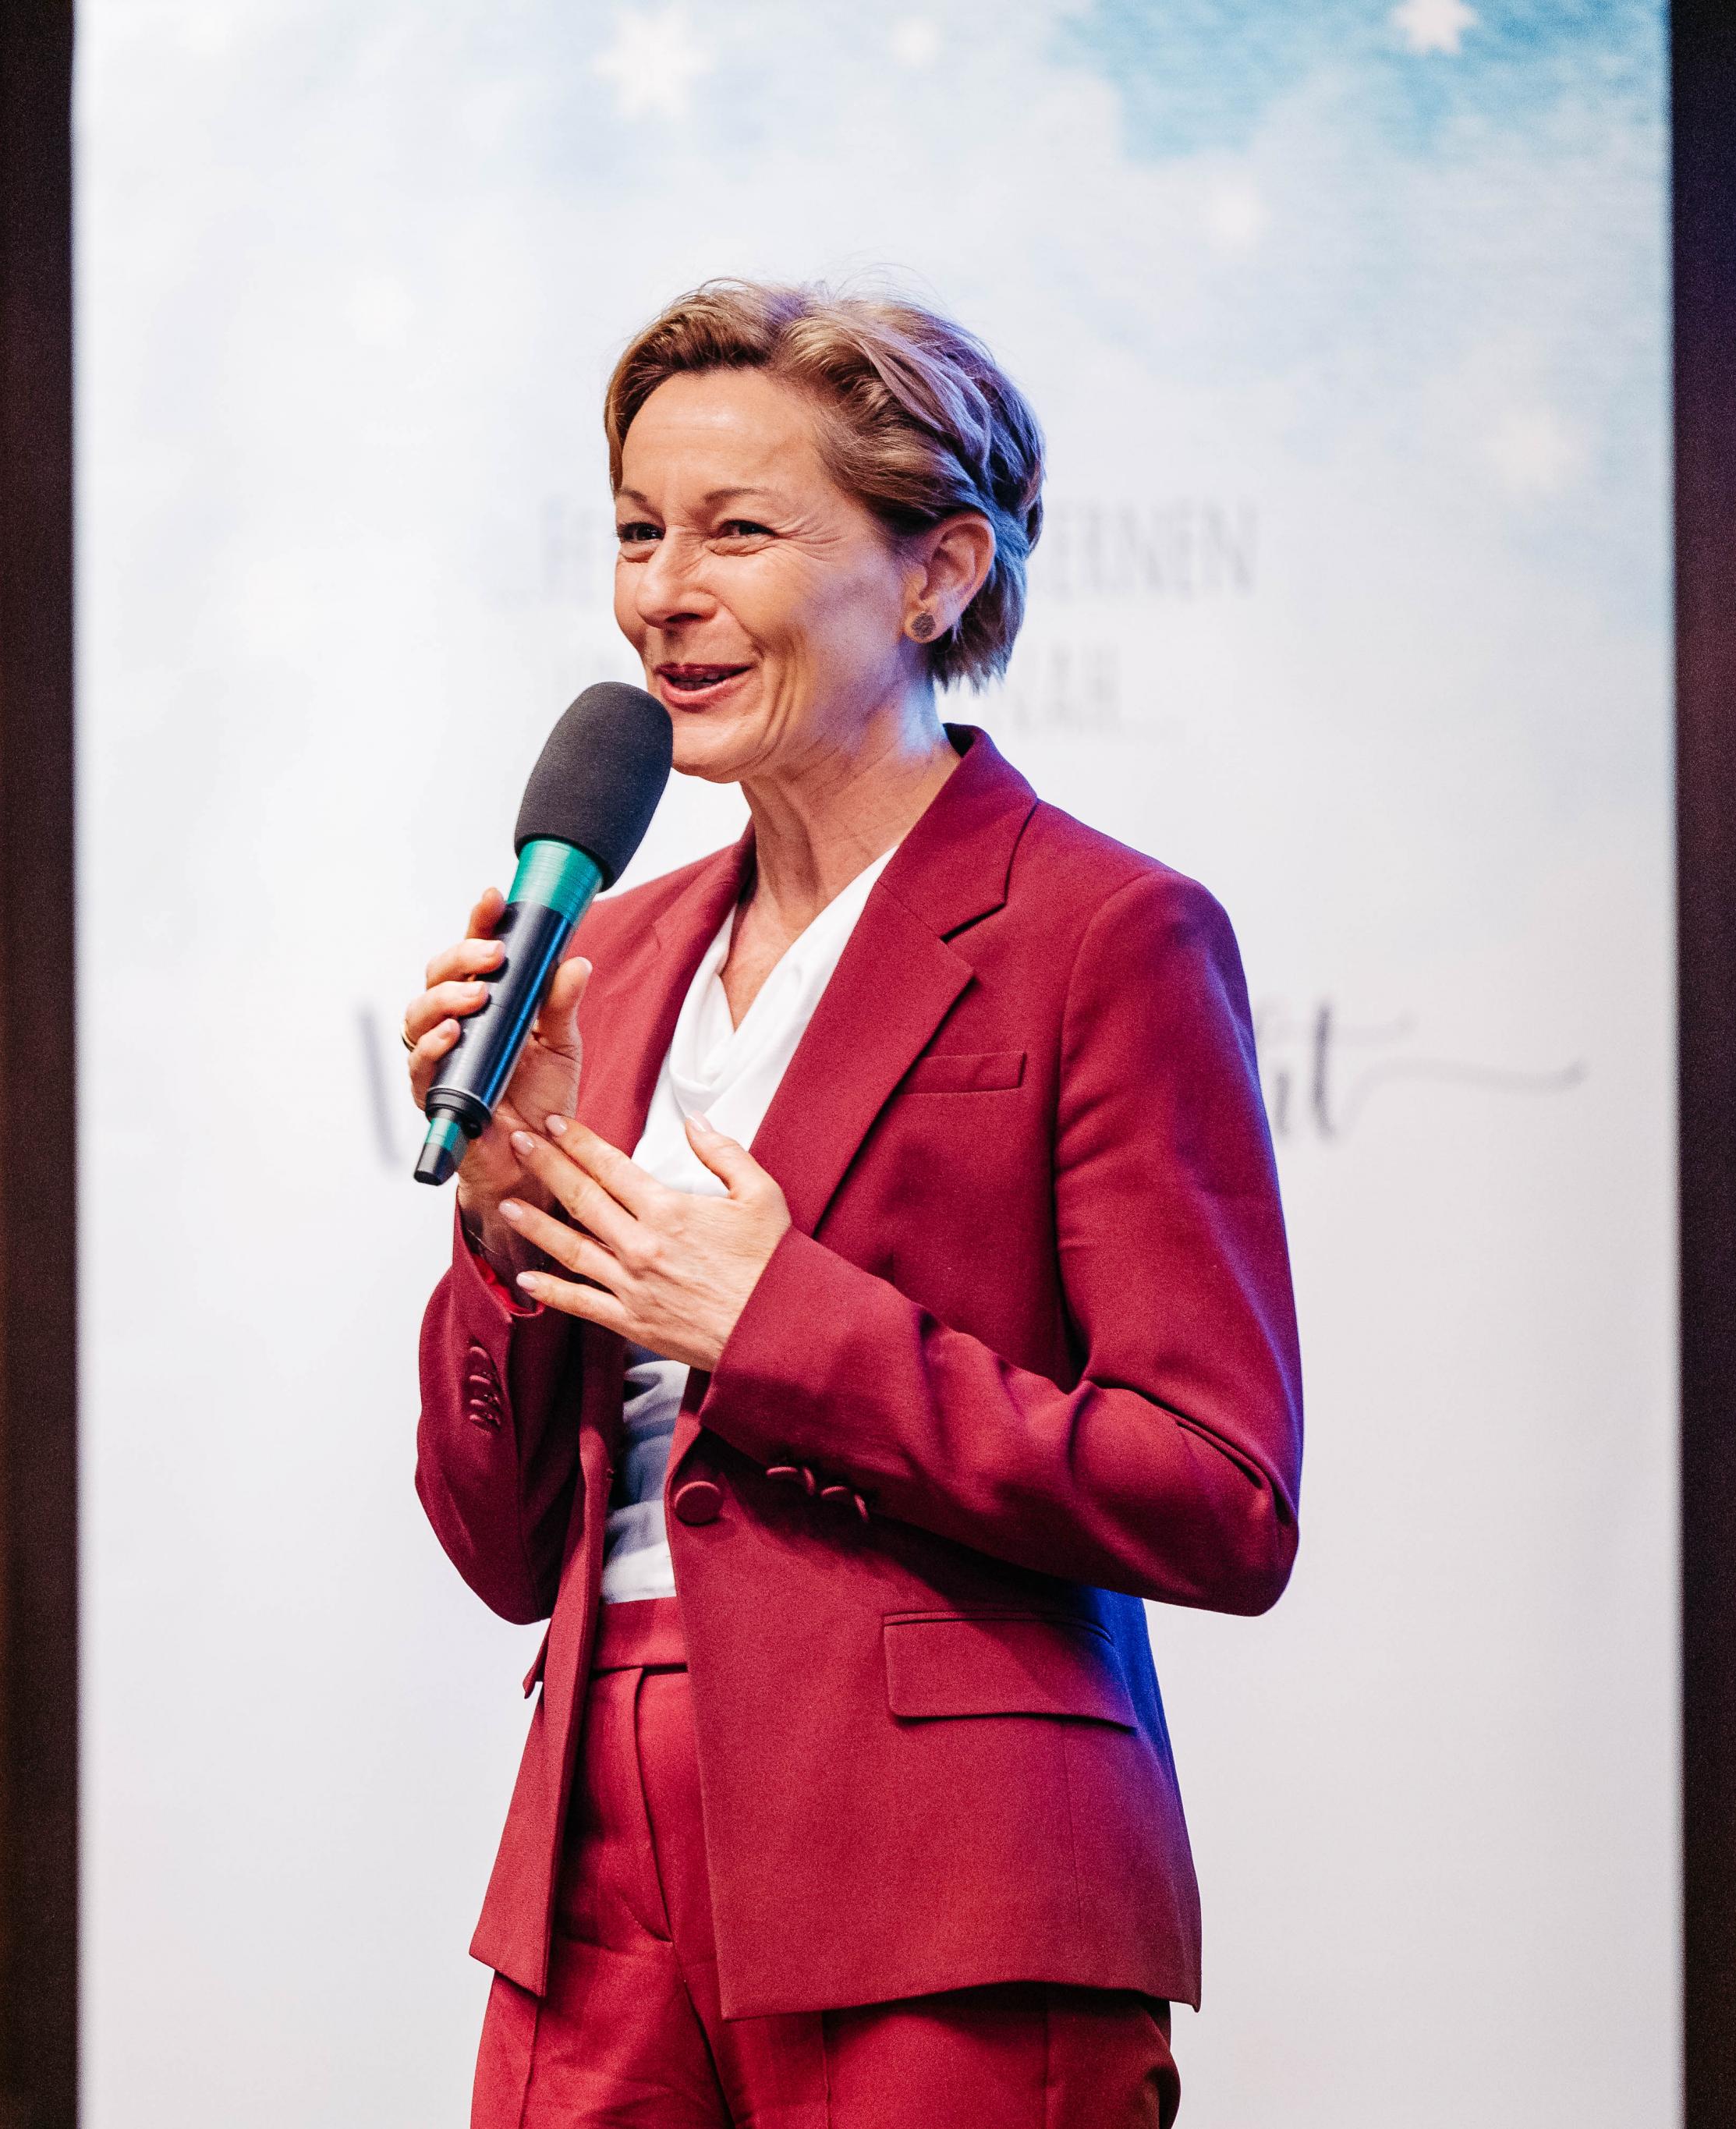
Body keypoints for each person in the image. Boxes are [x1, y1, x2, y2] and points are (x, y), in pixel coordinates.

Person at [402, 282, 1302, 2127]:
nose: (661, 593)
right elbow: (502, 1554)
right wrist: (501, 1227)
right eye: (636, 532)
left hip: (946, 1873)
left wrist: (780, 1329)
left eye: (735, 531)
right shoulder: (610, 956)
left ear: (935, 575)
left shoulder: (1102, 934)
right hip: (590, 1864)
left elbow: (1218, 1495)